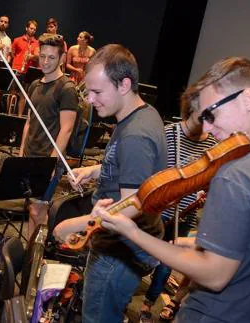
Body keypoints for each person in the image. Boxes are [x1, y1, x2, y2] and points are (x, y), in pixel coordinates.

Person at [100, 57, 250, 322]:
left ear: (247, 99)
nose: (205, 127)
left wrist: (132, 232)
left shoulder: (236, 175)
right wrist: (193, 243)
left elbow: (214, 275)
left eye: (210, 113)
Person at [53, 44, 167, 323]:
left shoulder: (135, 136)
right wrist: (95, 170)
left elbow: (132, 206)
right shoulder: (142, 114)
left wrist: (77, 224)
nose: (90, 100)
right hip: (121, 251)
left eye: (97, 92)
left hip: (117, 254)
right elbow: (133, 172)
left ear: (124, 84)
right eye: (88, 91)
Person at [138, 88, 218, 323]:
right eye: (198, 117)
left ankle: (147, 305)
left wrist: (206, 193)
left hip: (185, 215)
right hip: (157, 213)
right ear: (189, 110)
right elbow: (152, 174)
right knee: (142, 259)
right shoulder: (168, 134)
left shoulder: (212, 145)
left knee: (166, 266)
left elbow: (208, 180)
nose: (202, 125)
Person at [19, 33, 78, 237]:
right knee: (32, 211)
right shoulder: (35, 85)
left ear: (62, 58)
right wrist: (21, 153)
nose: (45, 61)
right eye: (42, 56)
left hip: (49, 160)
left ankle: (37, 258)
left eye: (51, 57)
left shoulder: (66, 88)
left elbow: (66, 129)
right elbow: (29, 122)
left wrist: (52, 163)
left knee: (39, 211)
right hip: (30, 156)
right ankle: (29, 257)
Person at [10, 19, 39, 117]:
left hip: (28, 71)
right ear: (26, 28)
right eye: (31, 28)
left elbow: (37, 56)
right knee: (13, 93)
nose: (32, 31)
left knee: (23, 95)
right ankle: (9, 114)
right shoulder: (17, 40)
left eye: (34, 29)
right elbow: (12, 54)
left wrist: (32, 57)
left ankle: (19, 116)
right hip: (17, 69)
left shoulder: (37, 43)